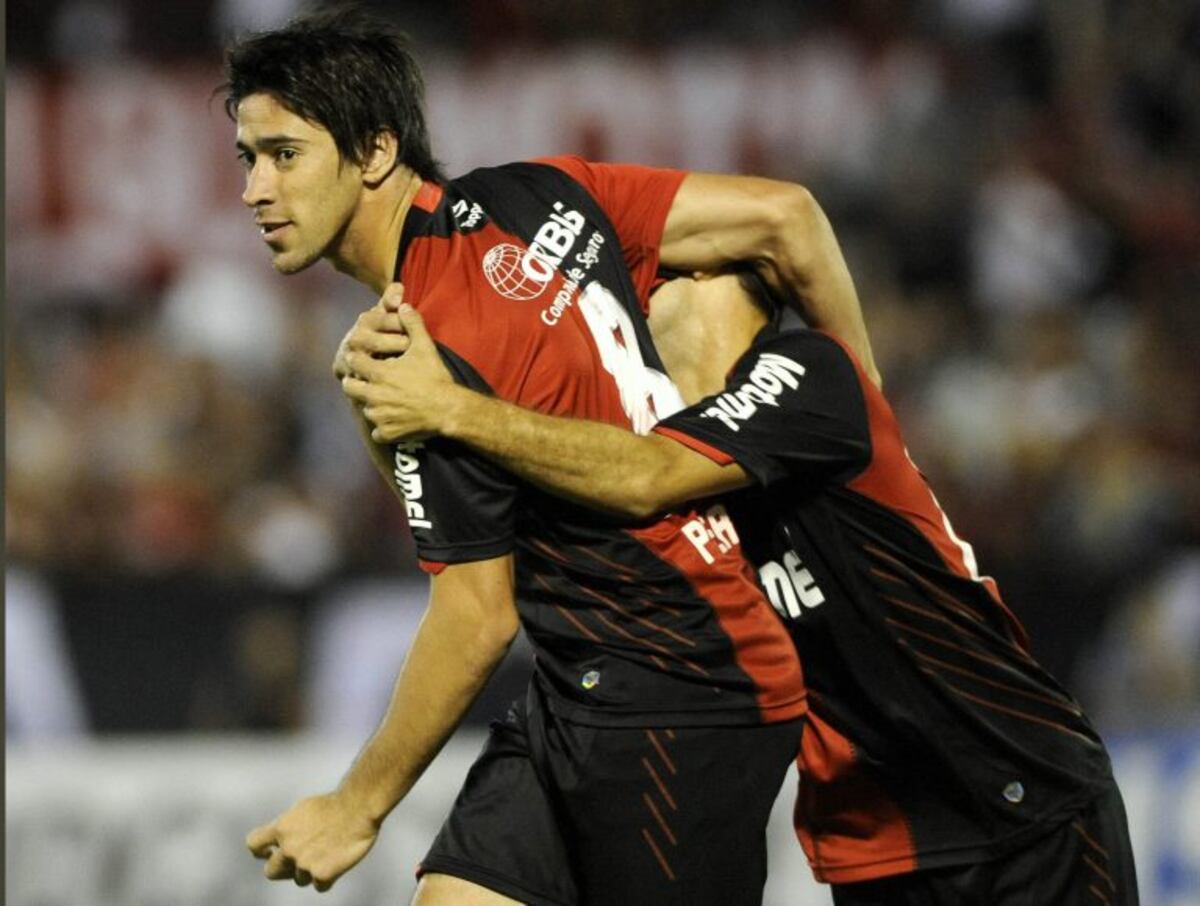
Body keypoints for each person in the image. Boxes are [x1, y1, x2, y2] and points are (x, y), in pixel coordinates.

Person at [222, 7, 879, 904]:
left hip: (684, 690)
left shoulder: (423, 346)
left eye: (284, 155)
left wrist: (357, 805)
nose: (256, 188)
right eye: (246, 159)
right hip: (585, 680)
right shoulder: (538, 195)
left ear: (373, 152)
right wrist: (874, 441)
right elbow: (784, 216)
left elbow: (475, 619)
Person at [338, 272, 1139, 905]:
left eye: (664, 277)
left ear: (735, 284)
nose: (638, 294)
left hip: (1019, 797)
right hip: (877, 841)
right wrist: (395, 426)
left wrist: (454, 408)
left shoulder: (808, 372)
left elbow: (646, 478)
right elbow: (500, 553)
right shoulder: (641, 455)